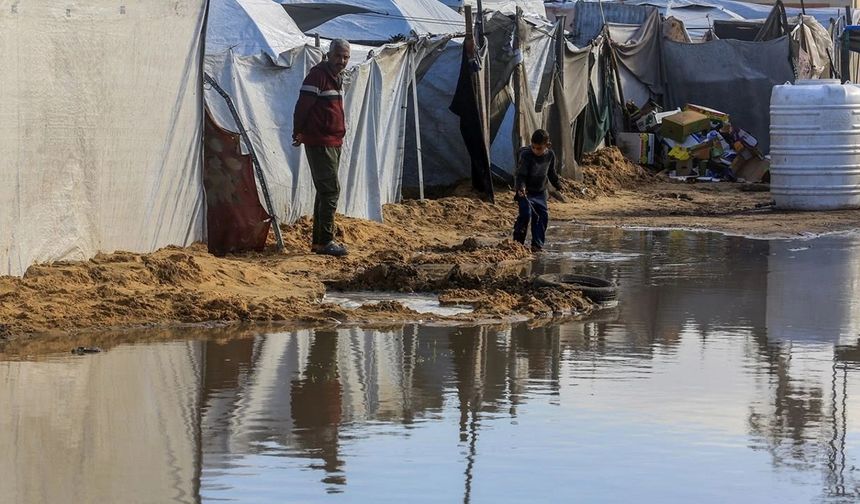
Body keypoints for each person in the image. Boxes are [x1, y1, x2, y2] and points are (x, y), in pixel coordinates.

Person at [293, 39, 351, 257]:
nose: (341, 61)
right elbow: (302, 107)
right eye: (338, 56)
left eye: (345, 57)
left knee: (324, 191)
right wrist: (298, 131)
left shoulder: (337, 78)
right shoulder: (317, 76)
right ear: (329, 54)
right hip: (320, 141)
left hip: (333, 141)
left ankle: (319, 242)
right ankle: (326, 241)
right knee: (330, 190)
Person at [512, 129, 562, 253]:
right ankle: (517, 243)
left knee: (542, 216)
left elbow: (551, 172)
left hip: (540, 192)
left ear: (547, 145)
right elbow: (520, 175)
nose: (535, 150)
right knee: (525, 214)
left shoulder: (550, 156)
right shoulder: (526, 155)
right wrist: (521, 187)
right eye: (533, 147)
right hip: (526, 192)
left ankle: (537, 245)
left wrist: (558, 184)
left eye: (539, 148)